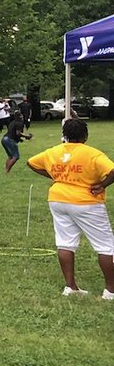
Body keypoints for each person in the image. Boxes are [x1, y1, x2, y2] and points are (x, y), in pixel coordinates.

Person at [26, 118, 114, 299]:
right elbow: (112, 170)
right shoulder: (92, 154)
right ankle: (110, 291)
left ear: (64, 135)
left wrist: (56, 176)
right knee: (106, 246)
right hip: (86, 201)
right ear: (85, 135)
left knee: (65, 243)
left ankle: (70, 286)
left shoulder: (54, 151)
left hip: (58, 199)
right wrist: (103, 185)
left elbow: (31, 162)